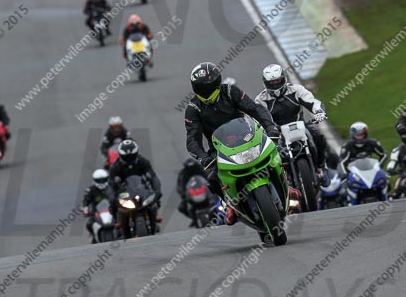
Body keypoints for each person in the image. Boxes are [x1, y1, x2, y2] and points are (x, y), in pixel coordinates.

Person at [184, 62, 281, 223]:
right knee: (212, 180)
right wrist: (203, 158)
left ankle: (286, 183)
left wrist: (270, 127)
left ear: (217, 83)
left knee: (276, 151)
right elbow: (192, 139)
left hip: (248, 138)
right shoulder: (193, 108)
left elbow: (255, 109)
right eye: (200, 88)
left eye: (208, 88)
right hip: (220, 150)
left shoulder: (230, 91)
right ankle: (230, 205)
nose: (205, 92)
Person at [255, 64, 331, 184]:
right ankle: (281, 180)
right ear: (265, 83)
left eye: (278, 81)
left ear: (284, 78)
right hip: (277, 132)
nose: (275, 84)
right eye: (272, 82)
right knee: (267, 152)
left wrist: (319, 111)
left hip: (300, 124)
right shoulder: (261, 99)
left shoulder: (296, 89)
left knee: (318, 136)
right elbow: (260, 117)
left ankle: (321, 167)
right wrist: (263, 129)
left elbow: (312, 101)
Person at [108, 139, 162, 216]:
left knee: (156, 197)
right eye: (126, 157)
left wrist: (157, 190)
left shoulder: (143, 161)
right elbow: (111, 183)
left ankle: (154, 215)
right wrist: (113, 194)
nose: (129, 159)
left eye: (131, 156)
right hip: (124, 191)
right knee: (112, 202)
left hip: (141, 188)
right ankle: (116, 220)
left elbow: (153, 176)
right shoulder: (115, 166)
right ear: (121, 155)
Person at [81, 169, 116, 243]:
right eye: (99, 180)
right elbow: (85, 200)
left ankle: (126, 233)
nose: (101, 182)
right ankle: (94, 236)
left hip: (113, 210)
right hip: (97, 212)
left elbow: (120, 193)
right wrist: (85, 207)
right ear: (95, 180)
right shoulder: (90, 190)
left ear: (107, 179)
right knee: (89, 224)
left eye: (103, 180)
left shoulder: (113, 186)